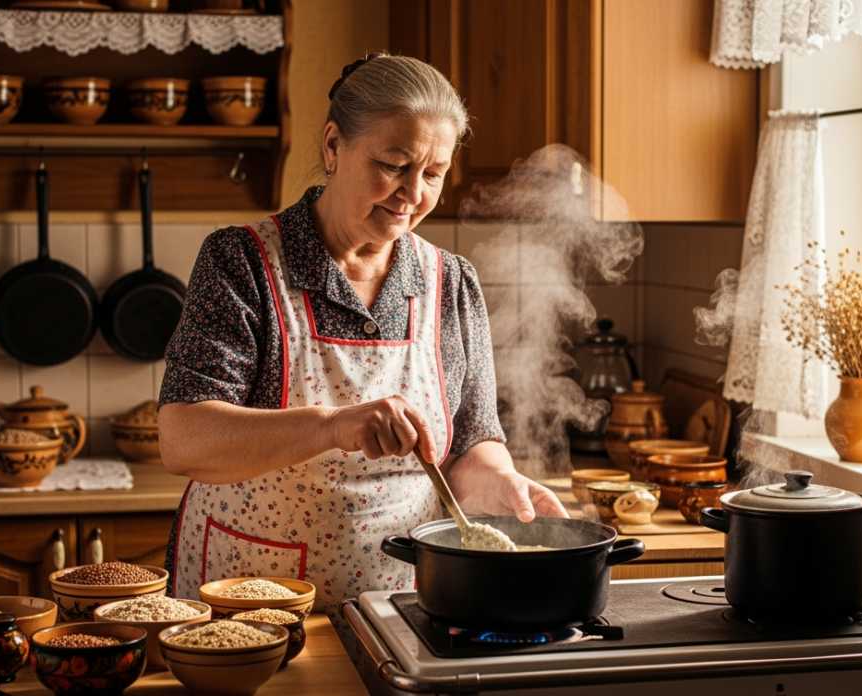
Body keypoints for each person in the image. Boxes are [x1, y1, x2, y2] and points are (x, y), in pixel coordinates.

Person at [157, 54, 567, 614]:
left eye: (433, 174)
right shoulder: (242, 262)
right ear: (333, 146)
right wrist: (334, 425)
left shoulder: (451, 282)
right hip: (251, 600)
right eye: (394, 164)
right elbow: (184, 438)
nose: (411, 193)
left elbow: (471, 439)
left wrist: (498, 483)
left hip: (401, 600)